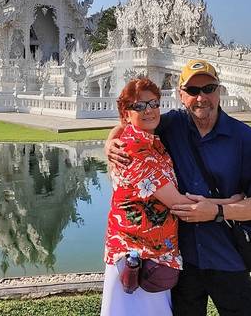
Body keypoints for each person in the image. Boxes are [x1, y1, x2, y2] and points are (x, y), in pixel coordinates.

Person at [105, 59, 251, 316]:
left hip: (228, 256)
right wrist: (110, 140)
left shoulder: (243, 138)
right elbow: (134, 121)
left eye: (209, 88)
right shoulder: (173, 125)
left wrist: (218, 212)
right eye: (193, 91)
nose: (201, 97)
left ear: (219, 91)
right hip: (182, 261)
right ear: (180, 95)